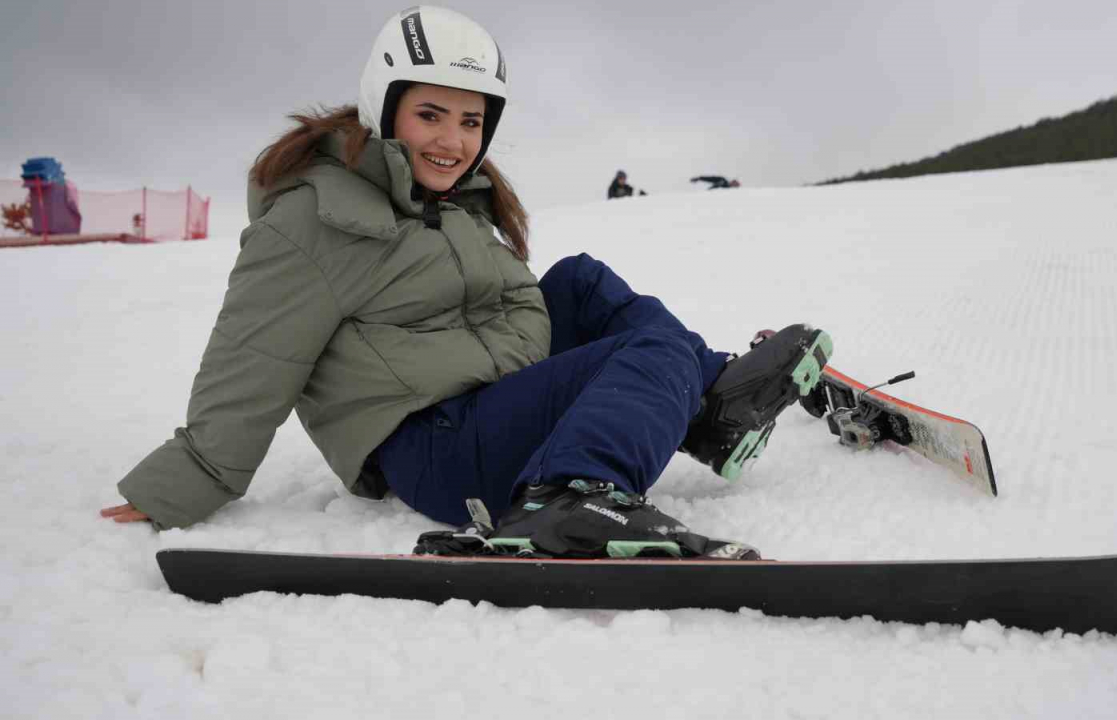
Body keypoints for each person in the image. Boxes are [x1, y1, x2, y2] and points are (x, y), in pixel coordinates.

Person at [100, 6, 832, 559]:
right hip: (436, 449)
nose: (453, 141)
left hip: (486, 403)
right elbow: (253, 356)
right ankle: (578, 497)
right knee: (649, 355)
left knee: (579, 282)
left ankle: (711, 405)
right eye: (430, 114)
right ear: (384, 108)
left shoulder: (454, 210)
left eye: (471, 121)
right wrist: (184, 481)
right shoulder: (315, 220)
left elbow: (502, 313)